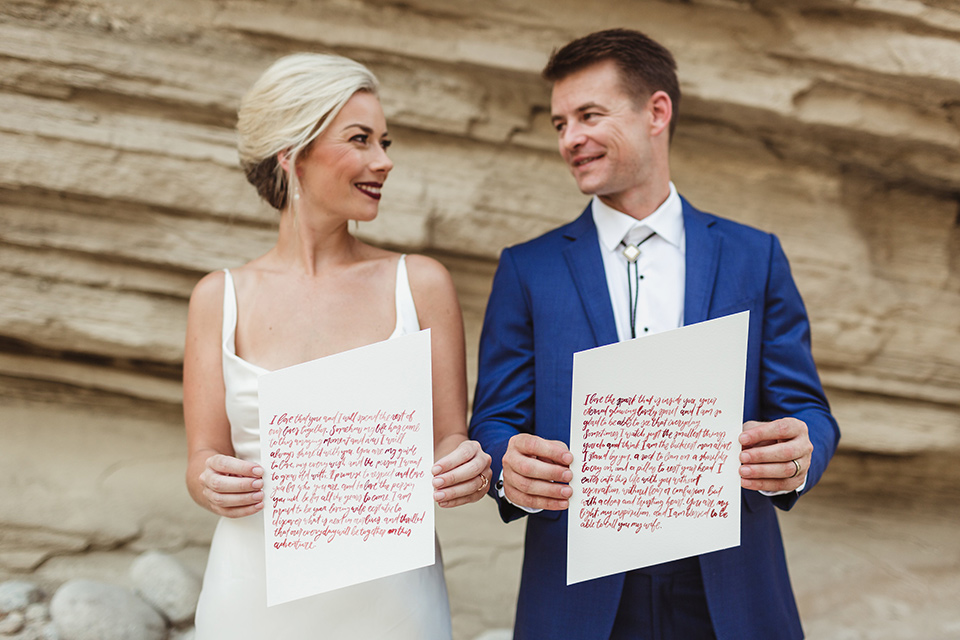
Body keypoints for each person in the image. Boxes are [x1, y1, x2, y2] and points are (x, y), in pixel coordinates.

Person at [468, 29, 840, 640]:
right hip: (579, 594)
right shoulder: (526, 269)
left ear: (656, 112)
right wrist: (507, 466)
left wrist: (801, 453)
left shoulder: (755, 256)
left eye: (590, 115)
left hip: (729, 586)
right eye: (560, 123)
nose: (571, 139)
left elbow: (807, 407)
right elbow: (494, 420)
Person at [183, 52, 491, 639]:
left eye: (385, 141)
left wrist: (463, 465)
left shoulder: (421, 284)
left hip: (395, 603)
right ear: (293, 154)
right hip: (253, 599)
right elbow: (201, 458)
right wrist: (211, 481)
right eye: (361, 139)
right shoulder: (218, 298)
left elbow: (451, 436)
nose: (385, 161)